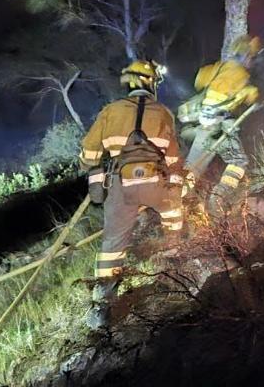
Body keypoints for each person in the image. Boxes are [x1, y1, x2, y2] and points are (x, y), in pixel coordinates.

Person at [78, 59, 185, 329]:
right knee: (173, 213)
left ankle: (101, 307)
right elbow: (173, 158)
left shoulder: (110, 111)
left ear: (129, 83)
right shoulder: (163, 113)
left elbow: (90, 152)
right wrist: (175, 185)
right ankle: (174, 265)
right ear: (150, 83)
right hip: (154, 182)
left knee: (112, 245)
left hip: (119, 186)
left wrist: (92, 169)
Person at [178, 35, 261, 217]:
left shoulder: (219, 67)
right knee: (238, 162)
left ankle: (173, 203)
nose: (252, 62)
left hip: (204, 125)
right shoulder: (240, 73)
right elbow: (246, 96)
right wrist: (252, 93)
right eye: (252, 57)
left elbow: (200, 79)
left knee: (193, 169)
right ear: (246, 56)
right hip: (221, 126)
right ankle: (219, 197)